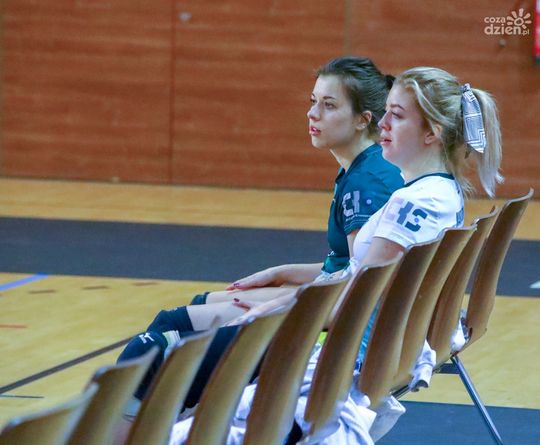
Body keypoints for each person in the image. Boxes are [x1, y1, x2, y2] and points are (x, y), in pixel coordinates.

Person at [168, 65, 503, 444]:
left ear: (432, 133)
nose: (383, 123)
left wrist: (277, 310)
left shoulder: (411, 205)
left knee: (166, 360)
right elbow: (358, 283)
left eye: (396, 115)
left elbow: (356, 300)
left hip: (346, 366)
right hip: (369, 354)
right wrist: (286, 291)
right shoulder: (439, 193)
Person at [118, 56, 404, 414]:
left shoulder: (366, 183)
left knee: (159, 340)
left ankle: (142, 424)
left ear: (363, 119)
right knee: (186, 315)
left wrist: (278, 303)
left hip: (332, 332)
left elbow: (359, 288)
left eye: (329, 105)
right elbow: (349, 266)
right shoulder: (366, 169)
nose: (312, 114)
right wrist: (282, 273)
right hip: (332, 313)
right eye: (313, 101)